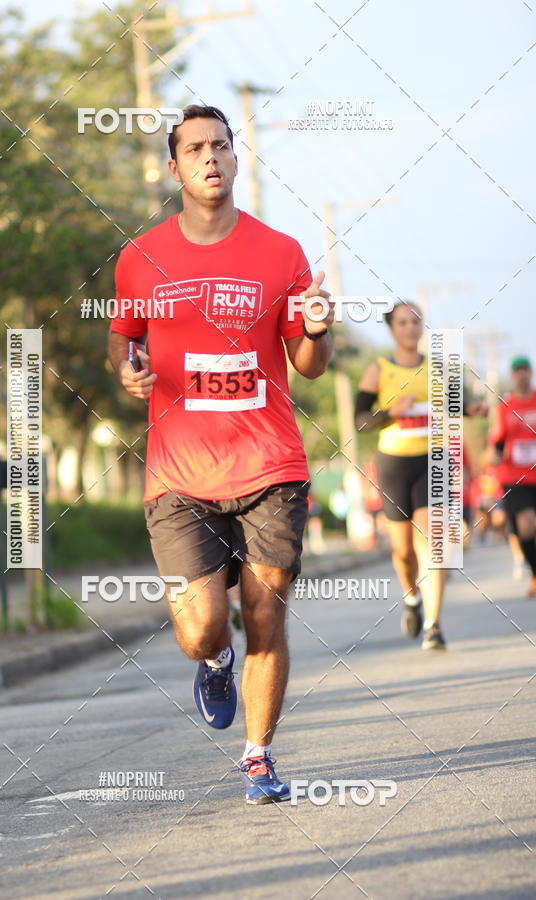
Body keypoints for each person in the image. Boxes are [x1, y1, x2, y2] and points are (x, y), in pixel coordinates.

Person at [108, 105, 334, 804]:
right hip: (179, 474)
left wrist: (319, 330)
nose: (211, 157)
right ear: (173, 168)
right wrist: (127, 368)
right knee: (201, 625)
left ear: (237, 160)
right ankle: (215, 659)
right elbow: (124, 335)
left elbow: (310, 365)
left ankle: (259, 755)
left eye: (222, 146)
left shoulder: (281, 252)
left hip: (269, 465)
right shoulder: (139, 256)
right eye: (196, 148)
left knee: (267, 613)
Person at [355, 300, 486, 649]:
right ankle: (411, 596)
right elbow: (360, 421)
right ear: (392, 329)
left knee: (434, 540)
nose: (411, 328)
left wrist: (472, 410)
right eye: (403, 322)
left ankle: (434, 624)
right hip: (394, 463)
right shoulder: (378, 370)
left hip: (433, 459)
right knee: (402, 551)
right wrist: (388, 412)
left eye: (416, 322)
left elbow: (456, 405)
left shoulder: (438, 370)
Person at [487, 356, 536, 598]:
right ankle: (535, 573)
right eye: (517, 370)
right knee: (526, 527)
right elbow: (496, 442)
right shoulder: (505, 407)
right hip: (516, 477)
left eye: (525, 369)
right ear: (512, 375)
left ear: (531, 372)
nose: (522, 374)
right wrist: (494, 456)